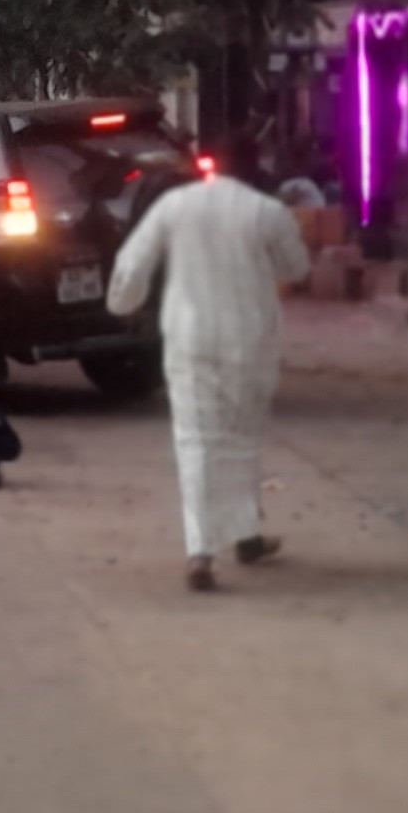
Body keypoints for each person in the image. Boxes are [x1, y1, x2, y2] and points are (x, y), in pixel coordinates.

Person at [107, 137, 313, 591]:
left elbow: (131, 263)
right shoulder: (266, 212)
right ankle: (245, 535)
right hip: (250, 338)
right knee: (243, 434)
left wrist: (125, 305)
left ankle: (200, 550)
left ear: (210, 166)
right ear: (254, 167)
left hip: (190, 337)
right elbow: (297, 268)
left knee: (196, 439)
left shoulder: (175, 205)